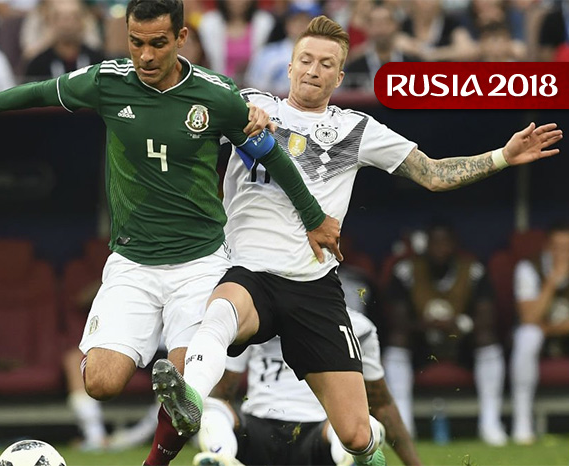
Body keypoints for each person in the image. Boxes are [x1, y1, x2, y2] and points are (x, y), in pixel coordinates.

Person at [0, 0, 341, 462]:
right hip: (132, 262)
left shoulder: (216, 95)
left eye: (158, 43)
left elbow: (271, 154)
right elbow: (40, 91)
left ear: (181, 38)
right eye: (136, 42)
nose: (145, 56)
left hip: (200, 263)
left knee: (188, 387)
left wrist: (313, 217)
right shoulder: (108, 81)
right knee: (100, 382)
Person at [146, 13, 562, 466]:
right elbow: (187, 113)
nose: (313, 70)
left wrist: (503, 156)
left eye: (326, 64)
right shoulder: (249, 106)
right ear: (290, 66)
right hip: (249, 272)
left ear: (340, 76)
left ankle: (366, 454)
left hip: (312, 286)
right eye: (306, 59)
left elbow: (432, 174)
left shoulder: (357, 130)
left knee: (357, 435)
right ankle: (190, 397)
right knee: (221, 310)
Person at [193, 309, 421, 466]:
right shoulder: (253, 319)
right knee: (212, 408)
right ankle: (221, 456)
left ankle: (350, 460)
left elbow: (380, 403)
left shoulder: (358, 327)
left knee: (365, 423)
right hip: (257, 434)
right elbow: (223, 392)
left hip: (321, 435)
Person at [383, 221, 508, 446]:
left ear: (455, 245)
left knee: (487, 339)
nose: (440, 249)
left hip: (461, 340)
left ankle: (490, 422)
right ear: (426, 245)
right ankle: (403, 424)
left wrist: (459, 324)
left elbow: (487, 317)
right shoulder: (406, 270)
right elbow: (396, 320)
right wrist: (426, 325)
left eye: (445, 243)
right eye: (435, 243)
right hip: (421, 340)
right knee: (397, 340)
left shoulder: (473, 269)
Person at [510, 219, 569, 445]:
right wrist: (552, 282)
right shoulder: (528, 268)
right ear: (546, 247)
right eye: (557, 248)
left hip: (559, 334)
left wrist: (550, 327)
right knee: (528, 336)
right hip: (539, 340)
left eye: (567, 248)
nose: (563, 254)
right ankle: (522, 423)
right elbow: (529, 318)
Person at [243, 2, 320, 97]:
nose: (301, 26)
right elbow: (255, 89)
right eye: (297, 21)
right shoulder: (267, 54)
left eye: (307, 21)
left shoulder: (326, 55)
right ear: (287, 23)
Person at [342, 3, 418, 91]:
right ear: (367, 28)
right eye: (376, 24)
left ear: (396, 26)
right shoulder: (355, 68)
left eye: (386, 23)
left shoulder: (413, 63)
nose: (381, 29)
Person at [23, 0, 105, 81]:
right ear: (50, 21)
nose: (67, 24)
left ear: (82, 22)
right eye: (61, 18)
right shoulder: (38, 65)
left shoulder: (97, 62)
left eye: (74, 17)